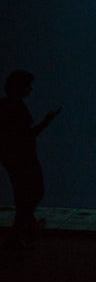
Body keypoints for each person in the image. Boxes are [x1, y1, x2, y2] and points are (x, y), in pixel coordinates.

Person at [0, 69, 61, 248]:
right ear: (20, 87)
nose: (30, 89)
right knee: (36, 192)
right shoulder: (18, 107)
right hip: (25, 159)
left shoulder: (3, 105)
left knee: (22, 196)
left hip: (11, 160)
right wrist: (46, 121)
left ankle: (25, 230)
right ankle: (19, 232)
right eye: (28, 86)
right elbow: (29, 135)